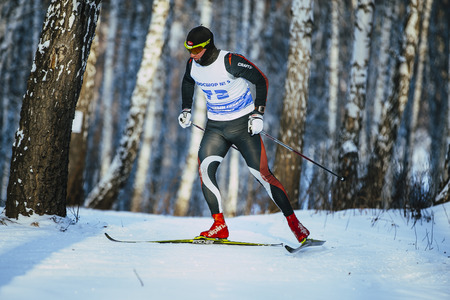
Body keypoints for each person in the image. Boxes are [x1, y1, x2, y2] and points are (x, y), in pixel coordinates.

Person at [178, 25, 310, 244]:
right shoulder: (192, 64)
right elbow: (187, 81)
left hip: (243, 125)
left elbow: (261, 80)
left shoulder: (229, 61)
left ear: (208, 45)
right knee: (204, 169)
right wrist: (185, 110)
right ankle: (218, 225)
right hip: (216, 127)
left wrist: (258, 114)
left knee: (262, 174)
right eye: (189, 50)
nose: (192, 55)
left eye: (196, 50)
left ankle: (296, 226)